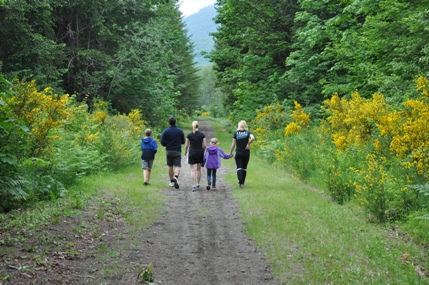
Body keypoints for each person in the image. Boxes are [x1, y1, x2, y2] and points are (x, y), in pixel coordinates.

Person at [160, 117, 185, 189]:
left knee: (170, 166)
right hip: (177, 150)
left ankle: (171, 181)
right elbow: (183, 141)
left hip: (169, 150)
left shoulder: (165, 131)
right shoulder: (180, 131)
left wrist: (167, 144)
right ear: (175, 122)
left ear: (169, 123)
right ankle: (176, 177)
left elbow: (162, 142)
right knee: (177, 165)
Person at [229, 120, 255, 188]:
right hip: (246, 152)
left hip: (238, 152)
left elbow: (233, 144)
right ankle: (243, 182)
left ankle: (240, 182)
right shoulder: (248, 133)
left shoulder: (236, 133)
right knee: (244, 168)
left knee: (239, 168)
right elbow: (253, 138)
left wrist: (231, 152)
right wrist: (248, 143)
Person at [184, 121, 206, 191]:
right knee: (199, 169)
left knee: (192, 170)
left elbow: (186, 145)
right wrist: (204, 151)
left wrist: (185, 152)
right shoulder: (202, 135)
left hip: (192, 152)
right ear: (198, 126)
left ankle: (193, 185)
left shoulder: (189, 135)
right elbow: (205, 145)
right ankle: (198, 184)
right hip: (200, 152)